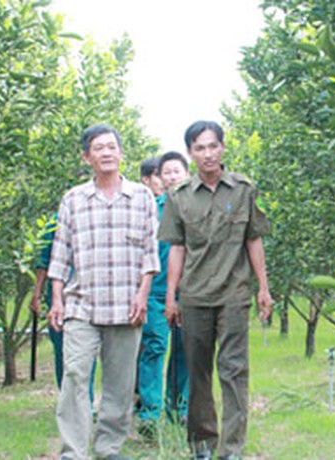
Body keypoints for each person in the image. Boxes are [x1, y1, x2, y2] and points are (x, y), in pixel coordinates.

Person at [158, 121, 272, 460]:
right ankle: (203, 444)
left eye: (212, 146)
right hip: (194, 297)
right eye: (199, 148)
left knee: (234, 371)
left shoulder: (242, 189)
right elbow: (177, 248)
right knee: (198, 371)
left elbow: (254, 238)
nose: (207, 154)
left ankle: (232, 448)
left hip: (234, 295)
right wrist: (171, 296)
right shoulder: (179, 198)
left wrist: (263, 288)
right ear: (191, 154)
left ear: (222, 148)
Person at [48, 124, 159, 460]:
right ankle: (73, 451)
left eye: (112, 147)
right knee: (75, 374)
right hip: (81, 305)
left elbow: (150, 254)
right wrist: (56, 298)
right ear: (87, 157)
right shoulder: (73, 199)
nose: (107, 153)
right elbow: (60, 252)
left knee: (120, 383)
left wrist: (142, 295)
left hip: (127, 306)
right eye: (99, 148)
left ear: (121, 154)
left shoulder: (142, 197)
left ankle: (109, 448)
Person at [136, 154, 190, 433]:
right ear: (159, 177)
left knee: (186, 351)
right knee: (155, 348)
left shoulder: (196, 208)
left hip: (189, 293)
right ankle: (149, 413)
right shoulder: (151, 210)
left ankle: (181, 408)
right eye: (165, 172)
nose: (171, 177)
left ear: (187, 174)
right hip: (156, 292)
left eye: (176, 171)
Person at [29, 213, 96, 405]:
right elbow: (44, 262)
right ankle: (68, 398)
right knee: (62, 348)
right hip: (60, 295)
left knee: (86, 346)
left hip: (87, 293)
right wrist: (37, 294)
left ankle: (86, 401)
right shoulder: (55, 222)